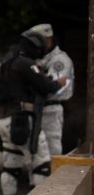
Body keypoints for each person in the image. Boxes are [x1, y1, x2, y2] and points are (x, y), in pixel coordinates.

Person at [0, 25, 67, 195]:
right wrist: (58, 83)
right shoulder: (24, 62)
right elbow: (45, 86)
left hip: (4, 119)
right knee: (41, 162)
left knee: (11, 164)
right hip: (22, 119)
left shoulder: (4, 63)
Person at [35, 24, 74, 156]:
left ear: (49, 40)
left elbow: (52, 86)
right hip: (40, 108)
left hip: (51, 110)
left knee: (51, 152)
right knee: (38, 154)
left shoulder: (59, 60)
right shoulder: (42, 59)